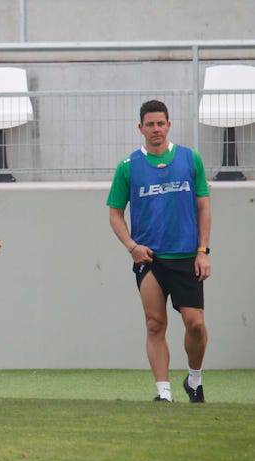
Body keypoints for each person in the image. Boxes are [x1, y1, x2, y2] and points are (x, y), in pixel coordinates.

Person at [107, 100, 211, 403]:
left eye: (160, 123)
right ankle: (163, 392)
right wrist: (131, 247)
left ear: (169, 125)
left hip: (186, 258)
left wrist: (203, 251)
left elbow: (203, 206)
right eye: (150, 124)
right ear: (140, 128)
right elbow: (115, 213)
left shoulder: (190, 160)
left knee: (196, 324)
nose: (156, 129)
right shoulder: (128, 167)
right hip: (150, 259)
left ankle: (194, 379)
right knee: (155, 323)